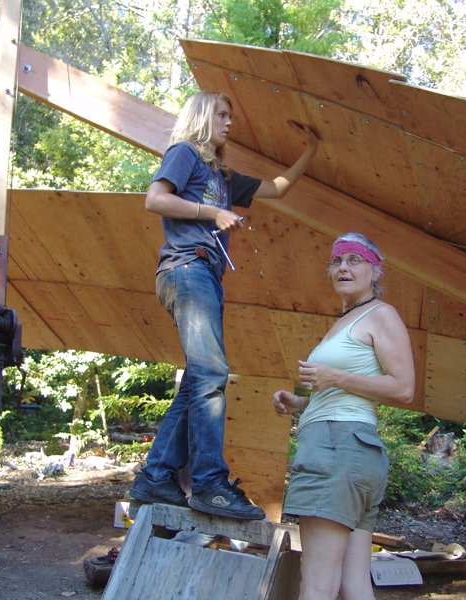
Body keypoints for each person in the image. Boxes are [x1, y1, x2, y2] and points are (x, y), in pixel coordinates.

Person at [130, 90, 319, 520]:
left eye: (230, 115)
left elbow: (279, 188)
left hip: (206, 279)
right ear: (201, 116)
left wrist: (311, 149)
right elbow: (155, 199)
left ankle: (157, 476)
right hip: (186, 269)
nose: (229, 122)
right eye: (221, 114)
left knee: (201, 376)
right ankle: (209, 483)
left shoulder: (224, 177)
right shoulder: (185, 155)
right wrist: (211, 214)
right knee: (212, 374)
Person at [272, 232, 416, 599]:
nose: (343, 268)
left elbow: (403, 388)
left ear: (375, 271)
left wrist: (332, 376)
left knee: (317, 584)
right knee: (354, 586)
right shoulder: (344, 320)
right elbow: (349, 390)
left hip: (338, 449)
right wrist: (302, 404)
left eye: (354, 260)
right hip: (351, 452)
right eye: (336, 261)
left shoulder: (380, 314)